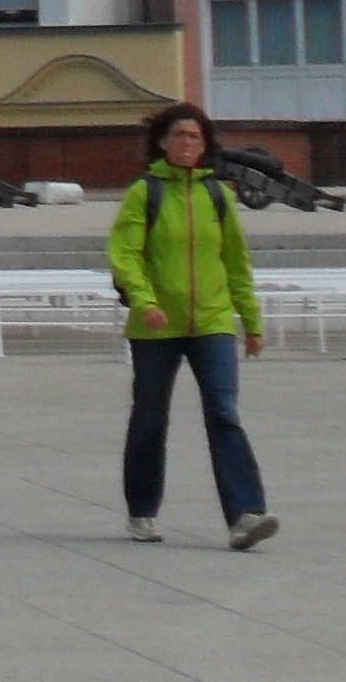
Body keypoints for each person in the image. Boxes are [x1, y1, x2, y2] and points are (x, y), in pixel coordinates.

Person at [109, 99, 277, 549]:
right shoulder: (145, 192)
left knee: (224, 412)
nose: (187, 143)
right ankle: (142, 511)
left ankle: (246, 514)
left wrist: (252, 321)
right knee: (149, 417)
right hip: (156, 325)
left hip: (213, 320)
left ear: (205, 145)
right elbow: (124, 255)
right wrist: (144, 301)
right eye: (179, 135)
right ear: (163, 142)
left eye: (195, 136)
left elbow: (236, 262)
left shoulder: (218, 195)